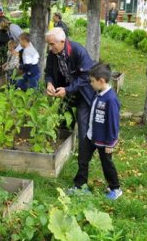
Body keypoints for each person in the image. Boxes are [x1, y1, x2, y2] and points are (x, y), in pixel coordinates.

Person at [44, 27, 95, 186]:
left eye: (52, 44)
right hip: (66, 93)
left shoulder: (78, 51)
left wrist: (68, 89)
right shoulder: (53, 55)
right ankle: (63, 154)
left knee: (83, 129)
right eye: (49, 44)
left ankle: (82, 171)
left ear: (62, 41)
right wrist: (50, 83)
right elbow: (49, 72)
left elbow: (86, 76)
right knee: (63, 123)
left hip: (83, 95)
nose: (50, 48)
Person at [72, 63, 122, 200]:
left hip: (104, 140)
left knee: (107, 164)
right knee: (82, 159)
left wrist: (110, 143)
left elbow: (113, 123)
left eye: (92, 81)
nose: (91, 84)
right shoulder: (98, 93)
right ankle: (80, 186)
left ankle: (115, 188)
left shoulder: (110, 100)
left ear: (101, 81)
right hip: (91, 136)